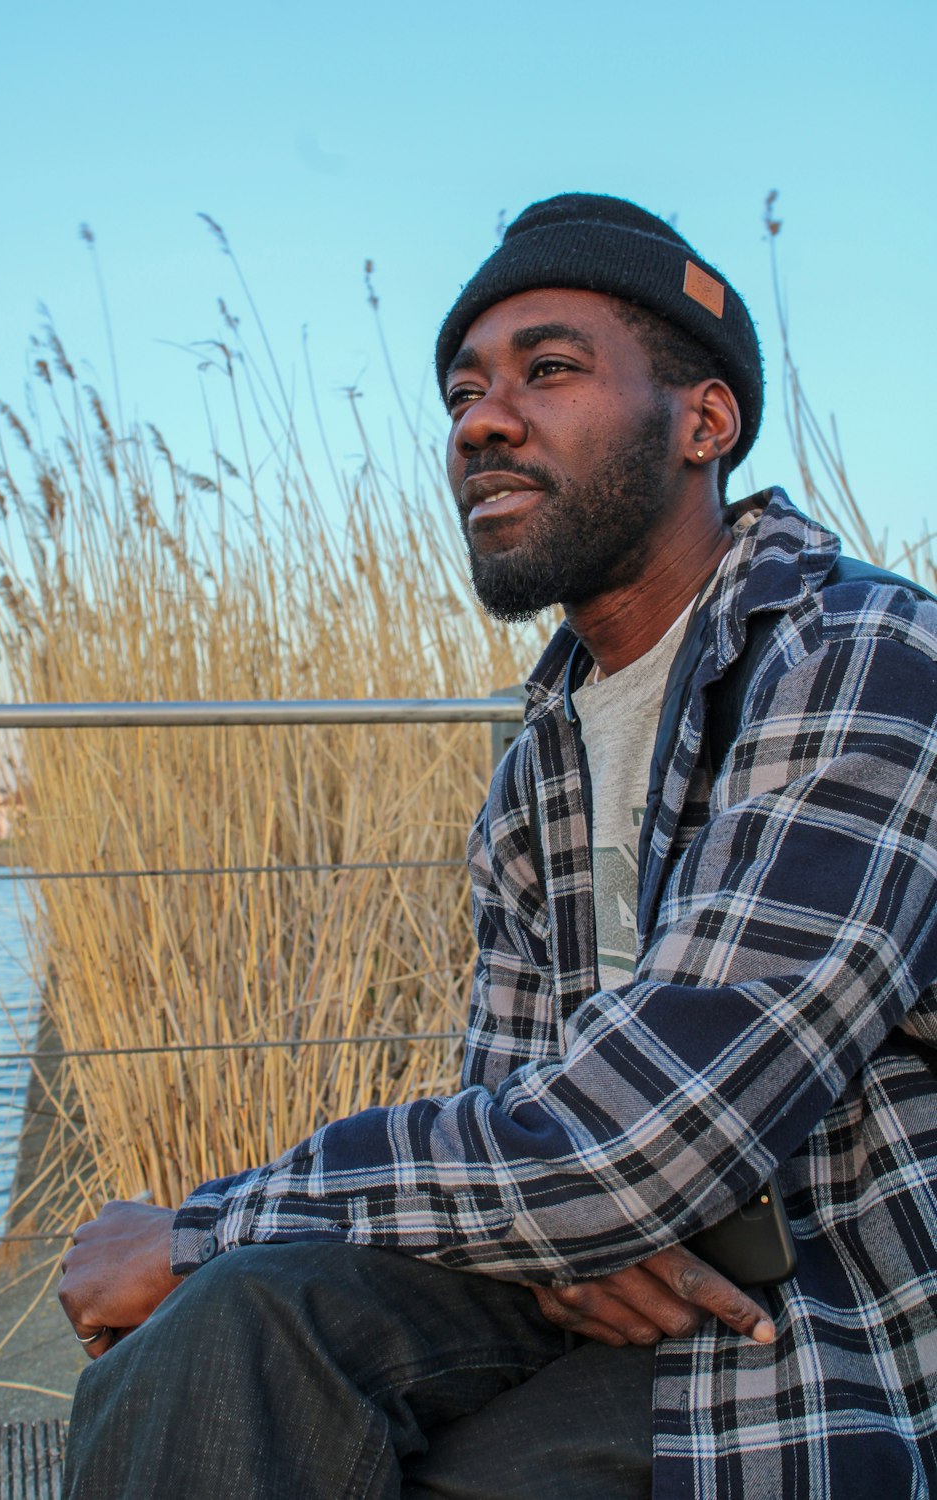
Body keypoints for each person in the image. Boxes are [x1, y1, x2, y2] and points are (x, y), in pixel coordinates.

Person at [59, 195, 937, 1498]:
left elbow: (629, 1147)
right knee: (208, 1345)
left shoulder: (860, 663)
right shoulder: (542, 756)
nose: (480, 420)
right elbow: (522, 1113)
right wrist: (571, 1230)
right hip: (609, 1282)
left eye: (550, 368)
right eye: (465, 389)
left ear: (706, 422)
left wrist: (197, 1227)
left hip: (819, 1325)